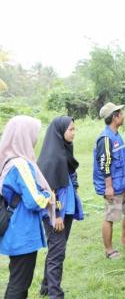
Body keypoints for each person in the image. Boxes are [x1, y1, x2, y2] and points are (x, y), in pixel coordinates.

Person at [0, 116, 56, 299]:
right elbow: (34, 200)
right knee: (20, 283)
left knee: (17, 278)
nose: (36, 139)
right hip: (21, 232)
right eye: (33, 134)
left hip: (14, 230)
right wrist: (49, 196)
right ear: (23, 136)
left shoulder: (8, 160)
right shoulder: (21, 164)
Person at [37, 116, 84, 299]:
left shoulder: (64, 151)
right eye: (70, 129)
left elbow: (71, 175)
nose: (73, 133)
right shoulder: (52, 157)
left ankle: (46, 287)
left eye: (74, 129)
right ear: (60, 131)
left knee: (57, 249)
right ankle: (56, 294)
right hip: (56, 212)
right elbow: (51, 190)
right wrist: (55, 214)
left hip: (67, 209)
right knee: (58, 252)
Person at [93, 102, 125, 260]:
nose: (123, 115)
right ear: (115, 117)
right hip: (113, 186)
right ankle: (109, 250)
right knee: (110, 217)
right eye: (121, 113)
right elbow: (104, 164)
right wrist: (108, 187)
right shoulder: (105, 138)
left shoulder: (116, 135)